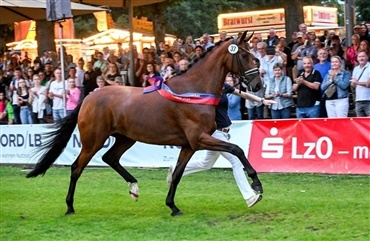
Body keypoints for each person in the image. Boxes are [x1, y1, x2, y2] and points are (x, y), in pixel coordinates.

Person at [166, 82, 277, 208]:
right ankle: (249, 196)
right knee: (236, 161)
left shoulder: (224, 86)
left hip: (225, 131)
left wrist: (262, 100)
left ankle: (175, 169)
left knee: (206, 164)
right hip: (215, 132)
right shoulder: (204, 90)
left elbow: (243, 94)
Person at [350, 50, 370, 116]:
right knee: (360, 123)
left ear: (367, 57)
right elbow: (353, 85)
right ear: (357, 58)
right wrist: (352, 83)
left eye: (363, 56)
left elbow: (368, 84)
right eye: (359, 56)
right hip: (358, 100)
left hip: (368, 100)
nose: (361, 58)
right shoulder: (356, 69)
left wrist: (357, 82)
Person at [314, 48, 332, 117]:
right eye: (320, 54)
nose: (322, 55)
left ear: (327, 55)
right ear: (318, 56)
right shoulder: (314, 67)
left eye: (324, 53)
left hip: (329, 93)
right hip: (318, 93)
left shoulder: (331, 65)